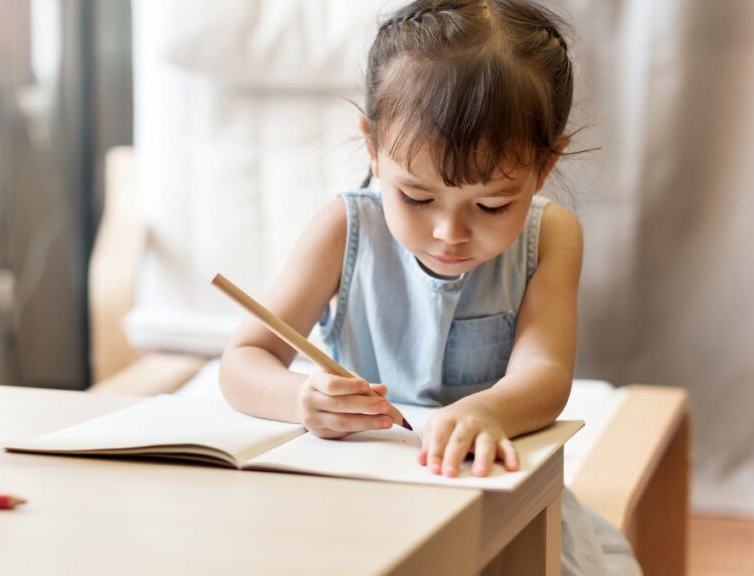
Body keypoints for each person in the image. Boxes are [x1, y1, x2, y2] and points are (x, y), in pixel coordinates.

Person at [218, 1, 639, 573]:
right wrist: (299, 398)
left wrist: (487, 413)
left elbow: (545, 374)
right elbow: (244, 358)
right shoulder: (343, 229)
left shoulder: (552, 236)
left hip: (485, 493)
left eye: (492, 204)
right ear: (372, 147)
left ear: (544, 167)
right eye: (416, 197)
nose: (449, 233)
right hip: (355, 492)